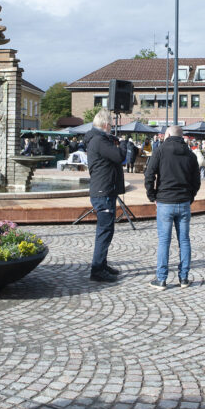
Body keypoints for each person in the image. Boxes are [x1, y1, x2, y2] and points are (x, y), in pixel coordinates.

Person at [144, 125, 201, 290]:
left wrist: (152, 195)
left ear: (167, 134)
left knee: (164, 241)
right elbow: (196, 181)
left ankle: (161, 279)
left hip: (165, 201)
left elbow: (149, 174)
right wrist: (190, 196)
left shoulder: (160, 150)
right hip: (183, 202)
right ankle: (184, 278)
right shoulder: (190, 154)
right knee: (184, 240)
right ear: (182, 136)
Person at [85, 108, 126, 283]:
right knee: (104, 232)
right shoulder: (99, 141)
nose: (112, 128)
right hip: (103, 192)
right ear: (106, 124)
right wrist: (124, 143)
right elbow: (119, 156)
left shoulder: (98, 139)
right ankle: (97, 270)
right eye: (111, 125)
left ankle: (101, 264)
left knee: (106, 231)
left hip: (103, 190)